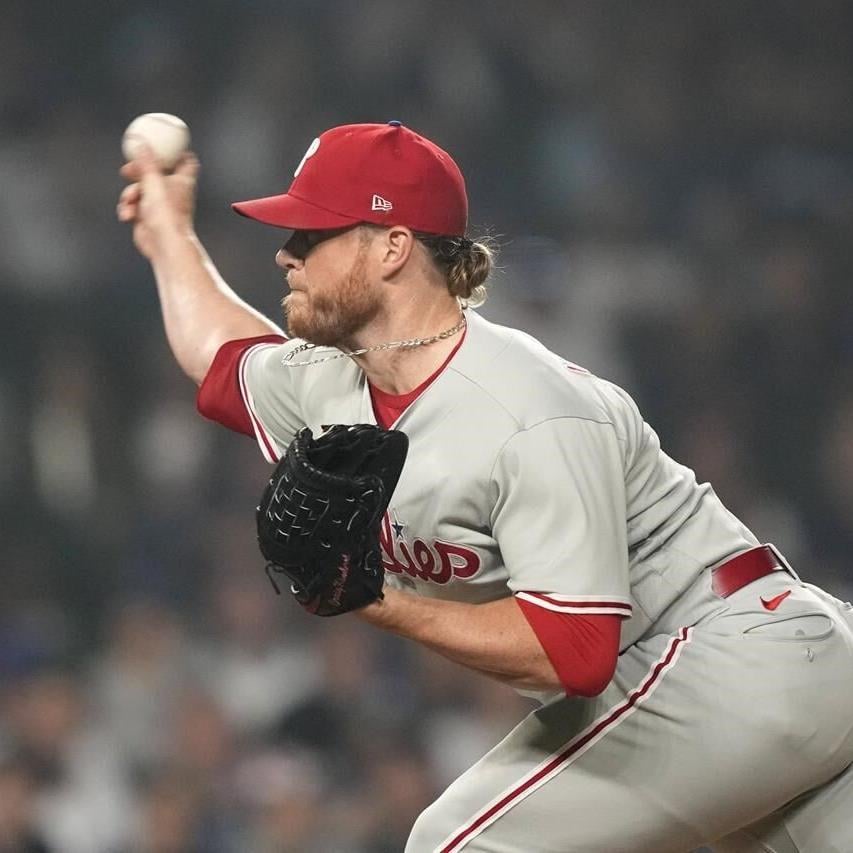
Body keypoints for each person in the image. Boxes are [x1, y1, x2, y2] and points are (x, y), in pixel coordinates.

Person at [118, 121, 853, 852]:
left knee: (454, 842)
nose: (286, 253)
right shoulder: (331, 378)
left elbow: (573, 651)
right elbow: (219, 354)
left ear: (392, 246)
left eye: (312, 234)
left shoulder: (529, 409)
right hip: (709, 693)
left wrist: (373, 599)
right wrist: (168, 233)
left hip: (739, 652)